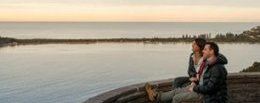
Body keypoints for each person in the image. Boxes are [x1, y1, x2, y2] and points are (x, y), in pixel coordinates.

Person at [145, 42, 228, 103]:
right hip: (200, 89)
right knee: (176, 91)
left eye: (205, 49)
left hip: (208, 97)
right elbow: (203, 79)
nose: (203, 51)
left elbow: (210, 89)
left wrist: (195, 88)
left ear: (212, 51)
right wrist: (195, 82)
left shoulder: (217, 69)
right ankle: (156, 97)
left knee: (177, 98)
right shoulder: (208, 64)